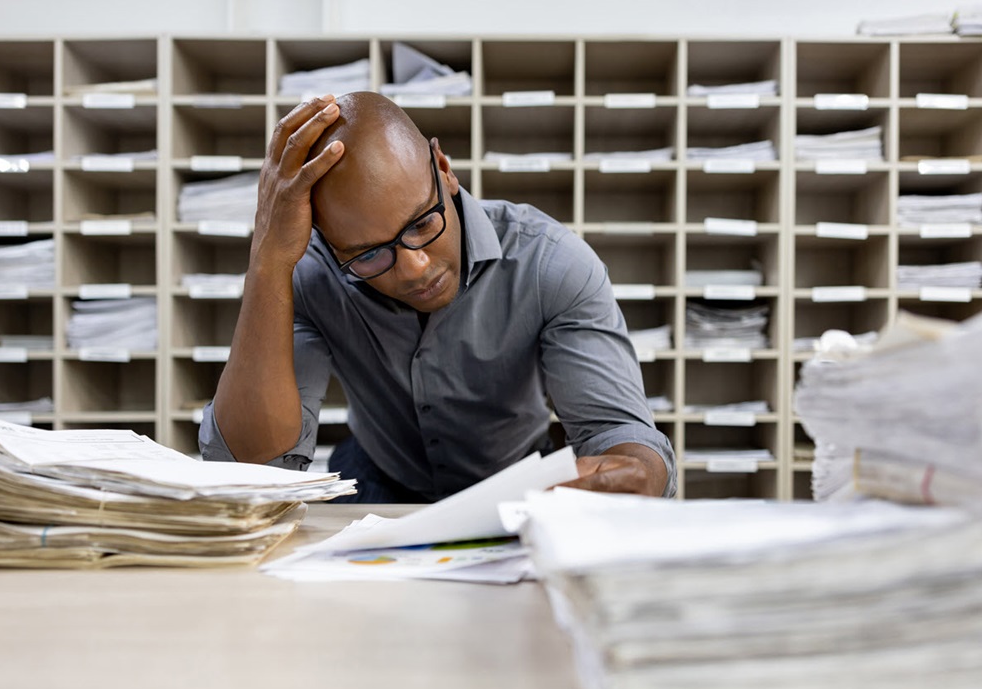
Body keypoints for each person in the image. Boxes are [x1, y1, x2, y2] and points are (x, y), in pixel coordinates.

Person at [199, 91, 676, 501]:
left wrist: (642, 470)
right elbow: (250, 467)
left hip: (518, 477)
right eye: (368, 255)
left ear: (444, 170)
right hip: (376, 474)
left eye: (423, 224)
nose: (415, 268)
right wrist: (268, 259)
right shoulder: (311, 276)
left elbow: (616, 433)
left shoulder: (549, 263)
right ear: (326, 240)